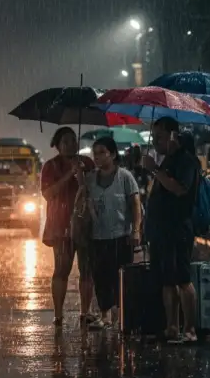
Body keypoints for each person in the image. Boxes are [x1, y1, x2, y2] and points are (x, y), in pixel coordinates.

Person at [142, 117, 199, 343]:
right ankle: (172, 327)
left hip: (178, 228)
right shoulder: (166, 161)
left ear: (173, 135)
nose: (155, 142)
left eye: (160, 137)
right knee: (167, 280)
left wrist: (154, 169)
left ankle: (190, 329)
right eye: (153, 137)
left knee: (183, 279)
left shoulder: (186, 161)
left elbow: (179, 189)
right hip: (160, 230)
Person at [81, 137, 142, 329]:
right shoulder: (90, 179)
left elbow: (135, 205)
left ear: (113, 154)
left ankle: (122, 315)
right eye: (95, 153)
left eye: (102, 152)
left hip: (121, 235)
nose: (97, 157)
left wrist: (136, 230)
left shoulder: (125, 177)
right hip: (97, 236)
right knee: (100, 277)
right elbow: (83, 201)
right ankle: (105, 315)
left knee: (120, 278)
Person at [41, 126, 95, 326]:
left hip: (85, 223)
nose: (72, 144)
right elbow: (48, 194)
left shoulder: (87, 163)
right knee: (61, 269)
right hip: (61, 225)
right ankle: (58, 314)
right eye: (66, 141)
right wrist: (68, 175)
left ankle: (85, 312)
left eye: (74, 140)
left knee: (87, 270)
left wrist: (82, 176)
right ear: (57, 146)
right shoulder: (50, 166)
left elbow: (94, 189)